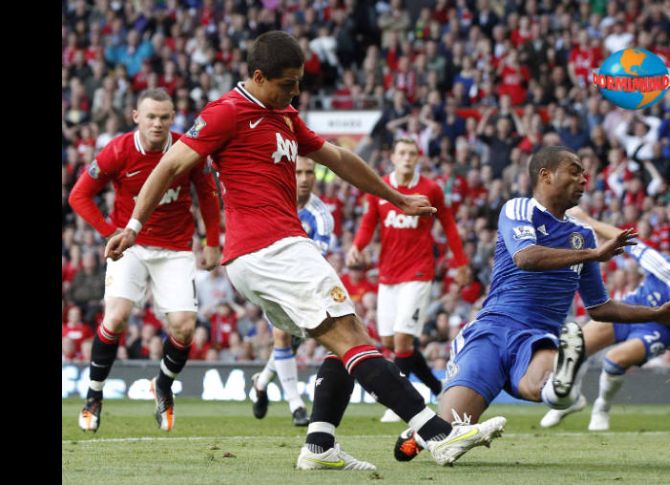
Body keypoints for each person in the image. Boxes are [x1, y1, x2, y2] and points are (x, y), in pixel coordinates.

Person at [105, 31, 506, 471]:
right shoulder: (226, 113)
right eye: (287, 82)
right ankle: (438, 435)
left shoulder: (285, 115)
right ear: (258, 77)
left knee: (341, 344)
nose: (296, 91)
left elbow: (337, 158)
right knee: (353, 335)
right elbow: (169, 165)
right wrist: (133, 225)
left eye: (299, 81)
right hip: (272, 246)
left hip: (261, 255)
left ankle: (319, 444)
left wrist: (395, 196)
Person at [393, 146, 670, 461]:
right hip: (492, 330)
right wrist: (593, 255)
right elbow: (525, 257)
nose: (584, 178)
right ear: (546, 175)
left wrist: (656, 314)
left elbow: (600, 308)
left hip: (537, 338)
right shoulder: (519, 209)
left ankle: (562, 384)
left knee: (547, 382)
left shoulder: (582, 235)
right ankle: (421, 432)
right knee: (447, 433)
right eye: (575, 170)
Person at [68, 88, 222, 433]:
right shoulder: (119, 150)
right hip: (131, 246)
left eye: (164, 117)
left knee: (184, 327)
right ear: (135, 117)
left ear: (173, 118)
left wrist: (212, 241)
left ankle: (163, 386)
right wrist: (110, 233)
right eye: (151, 116)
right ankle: (94, 396)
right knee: (117, 316)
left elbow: (209, 195)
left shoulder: (187, 148)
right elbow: (79, 195)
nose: (158, 124)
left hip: (176, 248)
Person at [539, 207, 670, 431]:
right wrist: (589, 220)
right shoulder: (664, 267)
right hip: (630, 311)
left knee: (614, 359)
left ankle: (601, 409)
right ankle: (572, 399)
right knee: (576, 346)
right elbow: (630, 242)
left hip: (659, 331)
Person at [346, 138, 470, 423]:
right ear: (392, 157)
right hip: (388, 273)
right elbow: (368, 222)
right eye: (402, 153)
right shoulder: (379, 187)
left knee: (402, 339)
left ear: (418, 158)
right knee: (391, 341)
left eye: (412, 153)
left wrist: (461, 263)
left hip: (418, 271)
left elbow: (448, 224)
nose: (407, 158)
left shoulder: (430, 189)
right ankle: (437, 388)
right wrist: (358, 245)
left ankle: (399, 403)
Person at [251, 156, 334, 426]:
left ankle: (261, 382)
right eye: (298, 171)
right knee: (282, 335)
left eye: (309, 172)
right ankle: (296, 405)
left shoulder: (321, 216)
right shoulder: (274, 202)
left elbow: (316, 259)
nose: (304, 178)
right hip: (273, 278)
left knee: (290, 341)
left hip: (304, 282)